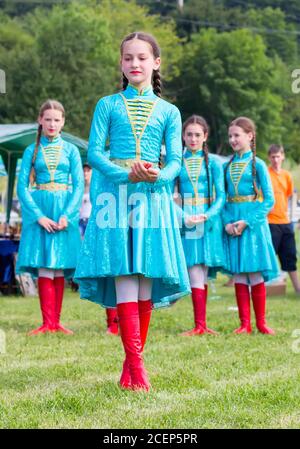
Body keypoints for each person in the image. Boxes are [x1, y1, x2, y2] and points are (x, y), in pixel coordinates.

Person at [75, 32, 190, 391]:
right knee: (125, 271)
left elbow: (175, 159)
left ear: (156, 63)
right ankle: (138, 371)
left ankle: (132, 368)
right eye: (128, 58)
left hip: (153, 199)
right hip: (116, 196)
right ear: (121, 64)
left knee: (144, 275)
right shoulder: (107, 105)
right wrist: (125, 173)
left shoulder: (169, 111)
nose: (134, 64)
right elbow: (94, 153)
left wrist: (158, 177)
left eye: (142, 58)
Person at [17, 99, 84, 335]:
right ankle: (47, 322)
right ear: (40, 121)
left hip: (64, 209)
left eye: (57, 120)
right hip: (41, 209)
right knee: (45, 264)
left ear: (63, 122)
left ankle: (57, 322)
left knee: (59, 265)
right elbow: (22, 187)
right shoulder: (30, 150)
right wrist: (38, 216)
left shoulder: (72, 150)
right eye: (48, 119)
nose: (52, 124)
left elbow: (78, 186)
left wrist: (68, 215)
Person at [223, 117, 279, 335]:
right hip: (233, 221)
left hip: (252, 225)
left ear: (250, 136)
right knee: (239, 274)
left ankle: (261, 323)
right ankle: (244, 323)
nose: (233, 140)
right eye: (230, 136)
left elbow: (269, 200)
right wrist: (228, 223)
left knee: (254, 273)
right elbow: (224, 198)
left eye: (237, 135)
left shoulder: (259, 164)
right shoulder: (226, 165)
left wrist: (247, 221)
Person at [176, 115, 227, 335]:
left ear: (205, 136)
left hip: (207, 222)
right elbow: (169, 196)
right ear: (183, 136)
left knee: (202, 271)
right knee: (194, 269)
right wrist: (182, 215)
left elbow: (221, 196)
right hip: (187, 221)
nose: (193, 138)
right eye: (189, 134)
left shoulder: (213, 163)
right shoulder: (176, 161)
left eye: (198, 134)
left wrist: (208, 215)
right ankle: (200, 324)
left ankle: (201, 324)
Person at [79, 163, 119, 335]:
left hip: (126, 222)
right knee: (109, 274)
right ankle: (112, 323)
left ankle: (126, 322)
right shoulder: (101, 170)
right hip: (103, 225)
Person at [267, 144, 300, 294]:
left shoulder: (287, 175)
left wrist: (293, 218)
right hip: (269, 222)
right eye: (273, 157)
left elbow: (289, 196)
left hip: (285, 223)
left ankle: (298, 288)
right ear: (269, 158)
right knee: (268, 257)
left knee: (290, 256)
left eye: (278, 156)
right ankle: (257, 288)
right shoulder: (266, 174)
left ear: (283, 156)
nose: (275, 160)